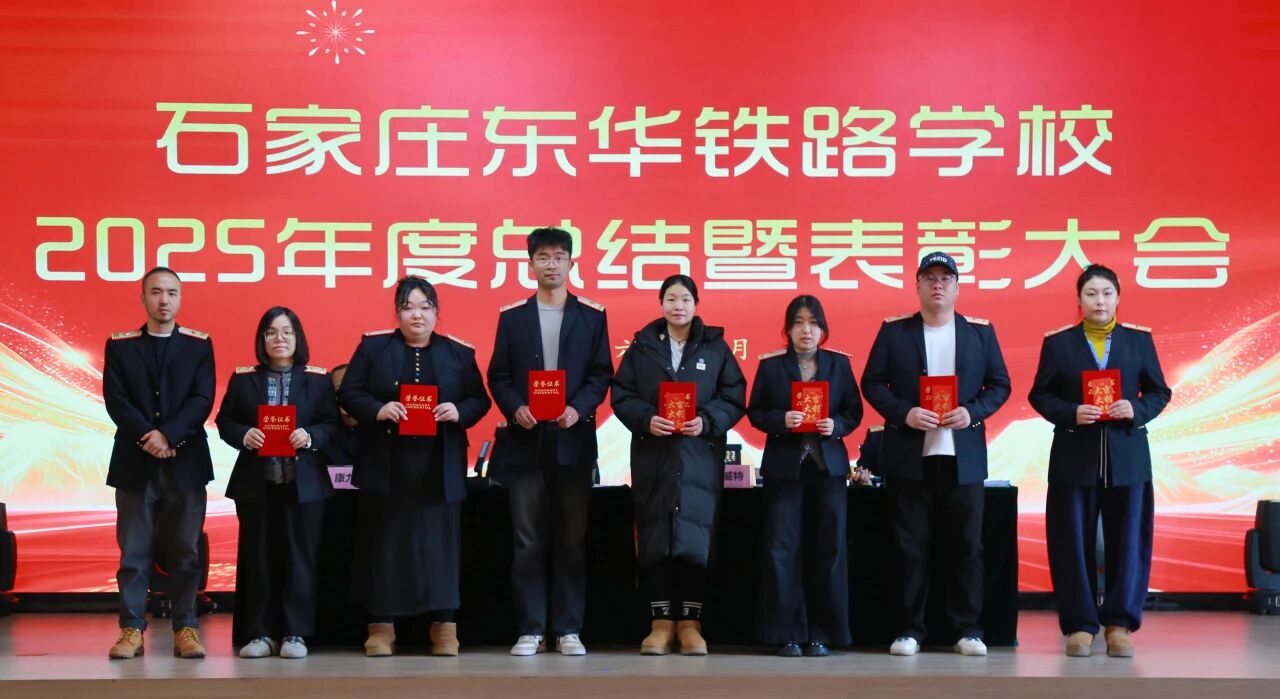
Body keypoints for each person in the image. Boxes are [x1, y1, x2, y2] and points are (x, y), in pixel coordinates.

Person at [861, 252, 1011, 657]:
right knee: (908, 547)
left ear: (958, 287)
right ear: (917, 286)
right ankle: (909, 630)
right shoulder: (895, 332)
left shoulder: (980, 333)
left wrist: (972, 412)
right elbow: (872, 383)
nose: (938, 284)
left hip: (963, 457)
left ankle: (968, 630)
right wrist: (904, 413)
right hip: (910, 456)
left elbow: (1000, 385)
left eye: (946, 278)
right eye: (929, 277)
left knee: (966, 548)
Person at [337, 277, 491, 657]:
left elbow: (479, 400)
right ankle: (382, 628)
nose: (417, 315)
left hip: (439, 468)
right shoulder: (373, 348)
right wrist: (378, 409)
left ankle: (444, 628)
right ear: (398, 313)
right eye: (408, 307)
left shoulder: (459, 353)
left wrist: (458, 411)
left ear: (436, 313)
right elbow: (349, 392)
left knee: (440, 549)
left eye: (425, 307)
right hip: (387, 466)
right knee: (385, 547)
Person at [1028, 264, 1171, 658]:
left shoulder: (1139, 341)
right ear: (1079, 300)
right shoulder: (1059, 343)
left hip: (1128, 457)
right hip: (1074, 456)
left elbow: (1159, 391)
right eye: (1091, 293)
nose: (1099, 301)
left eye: (1107, 293)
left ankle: (1119, 624)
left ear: (1118, 297)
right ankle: (1080, 624)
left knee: (1130, 541)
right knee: (1070, 542)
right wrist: (1070, 412)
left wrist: (1136, 410)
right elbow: (1040, 395)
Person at [487, 227, 613, 657]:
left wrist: (578, 408)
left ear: (571, 264)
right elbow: (498, 375)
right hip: (525, 442)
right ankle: (531, 628)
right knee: (527, 539)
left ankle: (568, 629)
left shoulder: (592, 316)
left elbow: (601, 373)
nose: (551, 264)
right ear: (531, 265)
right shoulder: (513, 317)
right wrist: (514, 407)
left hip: (572, 439)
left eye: (559, 257)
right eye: (543, 257)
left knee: (571, 539)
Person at [611, 274, 747, 656]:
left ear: (696, 304)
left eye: (685, 299)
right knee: (655, 536)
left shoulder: (715, 347)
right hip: (653, 456)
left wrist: (707, 420)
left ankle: (690, 624)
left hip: (698, 456)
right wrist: (645, 419)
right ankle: (660, 623)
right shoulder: (642, 347)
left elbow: (735, 396)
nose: (678, 306)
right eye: (671, 298)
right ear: (661, 304)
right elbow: (621, 395)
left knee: (695, 537)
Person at [103, 266, 215, 660]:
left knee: (185, 551)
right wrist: (148, 436)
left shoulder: (199, 345)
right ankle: (131, 629)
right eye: (155, 292)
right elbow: (116, 399)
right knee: (133, 551)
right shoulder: (120, 345)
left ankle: (186, 627)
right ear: (143, 298)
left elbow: (202, 399)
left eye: (171, 292)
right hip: (135, 462)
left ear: (180, 298)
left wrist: (168, 435)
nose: (163, 300)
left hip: (186, 462)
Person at [216, 306, 341, 659]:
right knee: (259, 559)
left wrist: (310, 436)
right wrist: (244, 434)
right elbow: (225, 421)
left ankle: (295, 633)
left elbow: (332, 424)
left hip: (304, 485)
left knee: (300, 559)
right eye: (271, 332)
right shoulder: (244, 379)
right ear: (262, 339)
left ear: (297, 338)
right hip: (257, 485)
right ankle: (260, 633)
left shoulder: (317, 380)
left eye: (287, 332)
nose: (279, 338)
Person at [748, 295, 862, 657]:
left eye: (813, 323)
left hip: (828, 470)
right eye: (798, 322)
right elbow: (756, 411)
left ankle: (823, 633)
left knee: (829, 550)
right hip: (785, 469)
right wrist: (781, 420)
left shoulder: (839, 365)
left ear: (822, 329)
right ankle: (787, 633)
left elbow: (854, 412)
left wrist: (836, 425)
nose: (806, 330)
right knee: (782, 549)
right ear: (788, 329)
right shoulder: (771, 367)